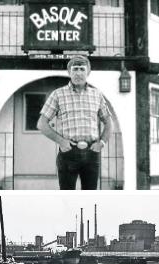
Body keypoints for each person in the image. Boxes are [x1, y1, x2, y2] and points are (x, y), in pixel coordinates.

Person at [37, 55, 113, 190]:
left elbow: (108, 122)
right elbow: (41, 124)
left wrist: (101, 143)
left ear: (88, 72)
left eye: (82, 69)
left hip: (91, 153)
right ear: (69, 72)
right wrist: (61, 141)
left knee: (89, 196)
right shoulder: (58, 94)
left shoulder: (97, 94)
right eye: (75, 69)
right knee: (68, 197)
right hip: (68, 153)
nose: (78, 73)